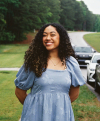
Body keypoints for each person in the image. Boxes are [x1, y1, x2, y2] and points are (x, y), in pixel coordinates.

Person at [14, 23, 85, 121]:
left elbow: (74, 94)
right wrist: (34, 107)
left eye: (52, 34)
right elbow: (19, 92)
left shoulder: (71, 63)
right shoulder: (34, 62)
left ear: (61, 38)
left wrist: (57, 108)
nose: (47, 38)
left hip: (61, 116)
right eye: (44, 35)